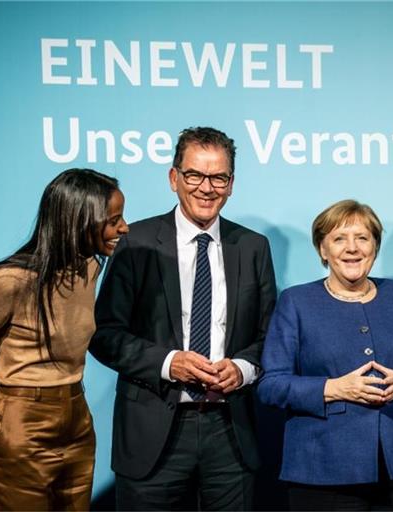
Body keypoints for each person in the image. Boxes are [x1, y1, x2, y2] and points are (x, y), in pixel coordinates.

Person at [89, 126, 277, 510]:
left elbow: (269, 335)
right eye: (195, 175)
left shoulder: (254, 247)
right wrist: (169, 363)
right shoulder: (134, 241)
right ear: (174, 178)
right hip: (152, 432)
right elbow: (105, 334)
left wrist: (242, 369)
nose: (206, 188)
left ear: (231, 184)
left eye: (218, 177)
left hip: (230, 433)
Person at [258, 199, 393, 511]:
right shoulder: (296, 302)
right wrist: (332, 388)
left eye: (362, 237)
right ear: (322, 249)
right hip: (323, 471)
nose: (352, 248)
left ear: (375, 246)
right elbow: (270, 385)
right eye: (339, 239)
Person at [0, 168, 128, 511]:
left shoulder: (90, 269)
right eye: (114, 220)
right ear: (79, 222)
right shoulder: (10, 280)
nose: (124, 228)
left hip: (77, 421)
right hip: (20, 424)